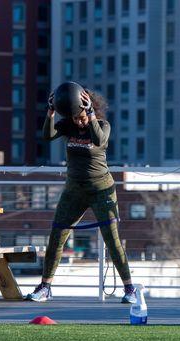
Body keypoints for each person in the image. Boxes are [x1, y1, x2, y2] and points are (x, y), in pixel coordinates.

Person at [26, 82, 136, 304]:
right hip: (74, 190)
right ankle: (45, 287)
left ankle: (130, 289)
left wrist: (91, 115)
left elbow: (99, 140)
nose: (78, 121)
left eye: (81, 116)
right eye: (75, 117)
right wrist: (50, 111)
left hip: (101, 190)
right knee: (57, 237)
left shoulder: (102, 125)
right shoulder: (68, 126)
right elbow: (47, 136)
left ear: (88, 108)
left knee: (112, 241)